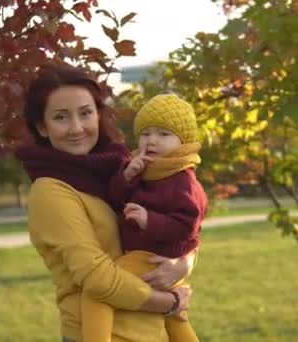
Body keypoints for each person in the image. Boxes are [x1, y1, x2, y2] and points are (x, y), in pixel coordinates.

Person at [15, 64, 197, 342]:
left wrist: (184, 262)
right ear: (42, 126)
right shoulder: (51, 190)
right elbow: (98, 279)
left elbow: (182, 222)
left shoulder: (123, 170)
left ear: (98, 115)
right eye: (61, 117)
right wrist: (171, 303)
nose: (77, 128)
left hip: (150, 332)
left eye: (85, 113)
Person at [81, 94, 207, 342]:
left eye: (163, 134)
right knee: (175, 316)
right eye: (146, 133)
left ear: (183, 142)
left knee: (97, 292)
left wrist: (150, 220)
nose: (152, 141)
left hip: (153, 256)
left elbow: (188, 225)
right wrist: (127, 176)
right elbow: (115, 200)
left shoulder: (182, 179)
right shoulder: (145, 167)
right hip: (149, 254)